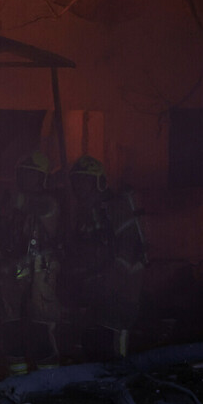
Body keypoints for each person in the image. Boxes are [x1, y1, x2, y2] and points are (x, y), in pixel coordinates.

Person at [0, 150, 62, 375]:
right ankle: (17, 376)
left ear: (43, 178)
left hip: (41, 269)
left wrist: (9, 203)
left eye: (33, 175)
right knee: (11, 322)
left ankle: (48, 378)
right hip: (11, 267)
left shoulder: (49, 203)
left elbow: (35, 208)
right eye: (24, 174)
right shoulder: (10, 203)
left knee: (40, 323)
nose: (27, 179)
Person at [65, 155, 147, 361]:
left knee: (112, 355)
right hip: (97, 295)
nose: (80, 186)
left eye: (86, 180)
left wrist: (110, 285)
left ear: (99, 182)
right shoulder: (85, 213)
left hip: (120, 295)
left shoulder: (116, 208)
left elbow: (128, 249)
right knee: (92, 348)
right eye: (77, 180)